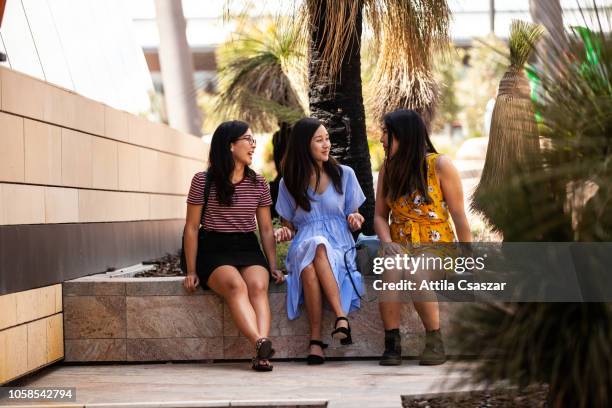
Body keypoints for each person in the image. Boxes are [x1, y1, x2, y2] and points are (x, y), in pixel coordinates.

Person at [182, 120, 284, 372]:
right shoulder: (202, 180)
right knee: (235, 285)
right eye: (247, 140)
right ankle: (260, 343)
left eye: (253, 140)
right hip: (213, 247)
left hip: (247, 245)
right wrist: (192, 270)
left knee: (259, 285)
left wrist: (273, 265)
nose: (253, 145)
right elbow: (192, 228)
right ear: (230, 145)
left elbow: (266, 229)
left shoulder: (259, 183)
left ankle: (262, 355)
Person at [374, 109, 472, 366]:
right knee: (391, 270)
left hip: (437, 246)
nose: (381, 139)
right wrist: (387, 243)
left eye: (386, 132)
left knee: (417, 271)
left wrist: (469, 257)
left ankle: (434, 340)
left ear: (403, 136)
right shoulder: (388, 169)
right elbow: (380, 217)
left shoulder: (440, 165)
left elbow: (459, 215)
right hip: (400, 243)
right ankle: (392, 342)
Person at [275, 117, 366, 365]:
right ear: (304, 145)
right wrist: (283, 233)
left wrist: (355, 219)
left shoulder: (344, 174)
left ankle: (315, 340)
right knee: (315, 245)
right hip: (304, 242)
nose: (326, 144)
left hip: (339, 245)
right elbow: (289, 228)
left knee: (311, 265)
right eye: (319, 140)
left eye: (327, 139)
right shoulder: (288, 183)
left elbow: (353, 214)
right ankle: (341, 318)